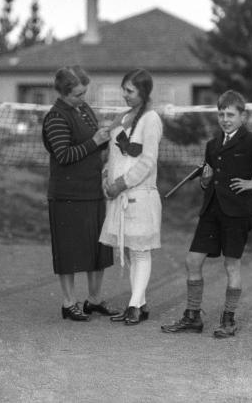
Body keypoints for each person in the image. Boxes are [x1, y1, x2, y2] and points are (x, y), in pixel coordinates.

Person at [161, 89, 252, 338]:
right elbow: (208, 182)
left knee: (232, 265)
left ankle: (228, 320)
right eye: (221, 114)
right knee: (192, 261)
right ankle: (193, 317)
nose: (225, 119)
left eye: (230, 114)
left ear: (242, 116)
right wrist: (205, 181)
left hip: (237, 213)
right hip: (211, 211)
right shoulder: (212, 144)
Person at [41, 65, 118, 321]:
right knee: (69, 251)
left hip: (93, 191)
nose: (82, 99)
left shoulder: (83, 110)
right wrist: (94, 142)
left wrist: (107, 137)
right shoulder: (55, 118)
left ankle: (94, 300)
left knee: (98, 249)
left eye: (84, 93)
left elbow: (92, 144)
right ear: (63, 93)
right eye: (77, 94)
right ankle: (68, 303)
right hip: (67, 196)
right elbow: (63, 155)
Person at [99, 69, 163, 326]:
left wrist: (122, 184)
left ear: (143, 92)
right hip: (118, 196)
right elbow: (112, 157)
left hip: (140, 195)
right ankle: (141, 303)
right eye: (123, 89)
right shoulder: (121, 118)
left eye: (130, 91)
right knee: (130, 250)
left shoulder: (152, 119)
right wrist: (107, 179)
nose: (124, 95)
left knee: (140, 251)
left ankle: (134, 305)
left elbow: (147, 162)